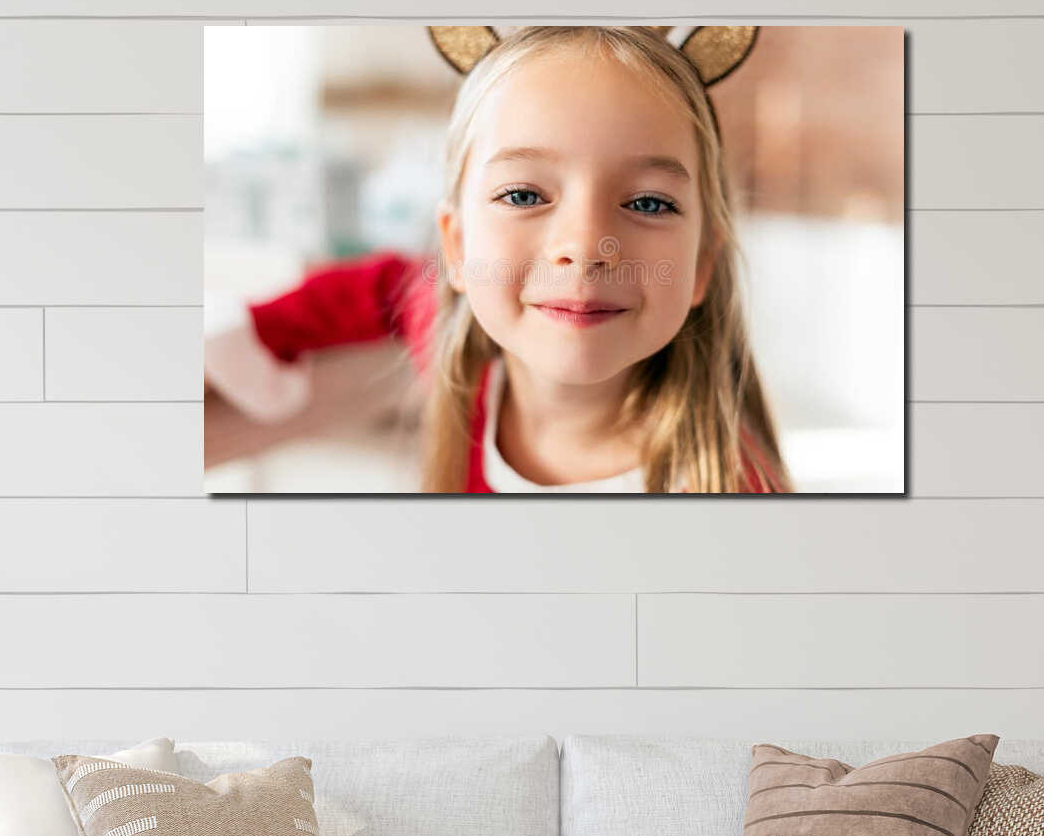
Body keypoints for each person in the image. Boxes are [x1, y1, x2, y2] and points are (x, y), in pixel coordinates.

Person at [205, 25, 791, 494]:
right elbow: (383, 288)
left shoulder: (727, 491)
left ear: (700, 266)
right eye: (524, 196)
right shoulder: (456, 353)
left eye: (647, 202)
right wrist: (249, 328)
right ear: (457, 249)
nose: (585, 248)